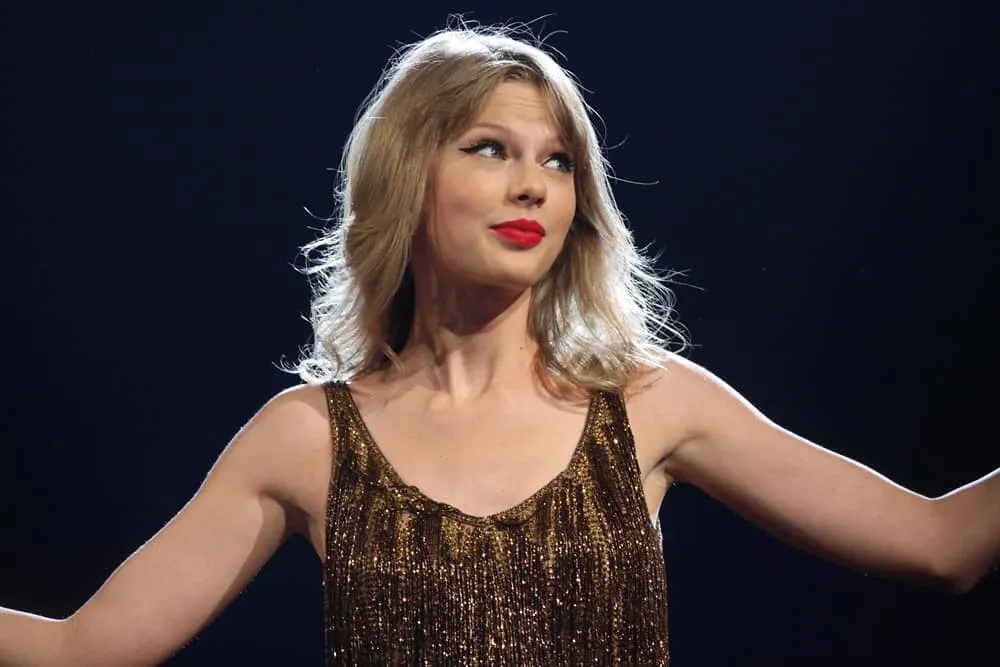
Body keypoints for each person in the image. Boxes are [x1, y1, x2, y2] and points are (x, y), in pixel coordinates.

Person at [1, 22, 998, 667]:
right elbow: (80, 649)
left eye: (557, 161)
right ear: (406, 178)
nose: (534, 185)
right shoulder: (306, 438)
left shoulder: (650, 404)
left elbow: (941, 547)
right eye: (490, 147)